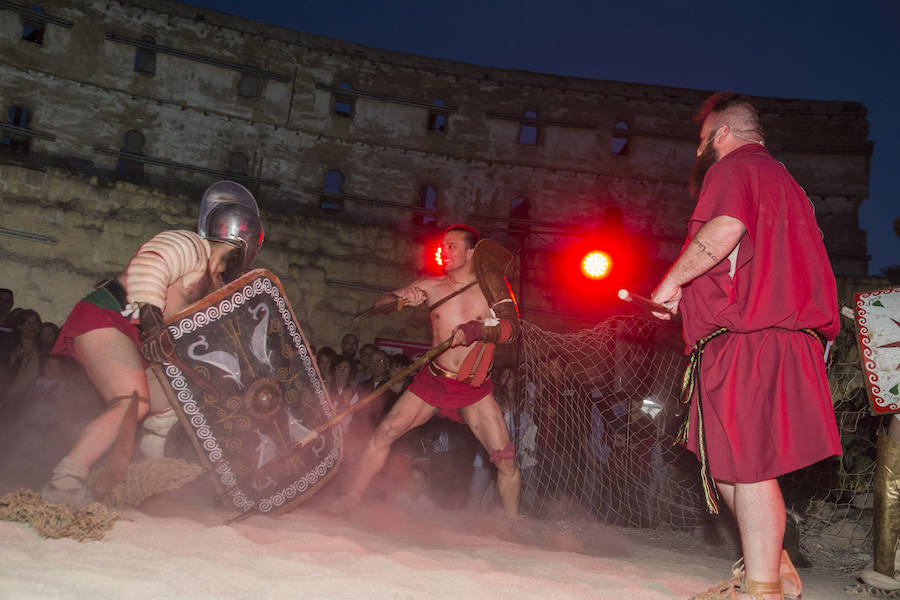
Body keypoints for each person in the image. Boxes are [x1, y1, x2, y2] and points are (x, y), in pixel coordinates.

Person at [650, 92, 839, 599]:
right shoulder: (787, 183)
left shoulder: (735, 168)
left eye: (701, 140)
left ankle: (762, 591)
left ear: (723, 135)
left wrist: (669, 284)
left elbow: (726, 230)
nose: (697, 153)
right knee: (731, 463)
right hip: (776, 335)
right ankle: (773, 568)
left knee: (747, 466)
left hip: (750, 337)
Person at [41, 181, 264, 508]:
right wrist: (149, 314)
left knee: (176, 401)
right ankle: (64, 481)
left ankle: (149, 478)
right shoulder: (189, 245)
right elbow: (152, 262)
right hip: (108, 317)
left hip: (136, 338)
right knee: (131, 402)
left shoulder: (211, 282)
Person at [329, 225, 521, 517]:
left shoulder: (492, 287)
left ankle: (511, 524)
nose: (443, 252)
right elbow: (379, 305)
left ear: (471, 253)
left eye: (452, 247)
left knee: (506, 461)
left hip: (473, 388)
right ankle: (352, 498)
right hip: (433, 380)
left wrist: (475, 330)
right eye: (442, 246)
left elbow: (512, 330)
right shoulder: (430, 286)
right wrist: (404, 300)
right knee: (385, 432)